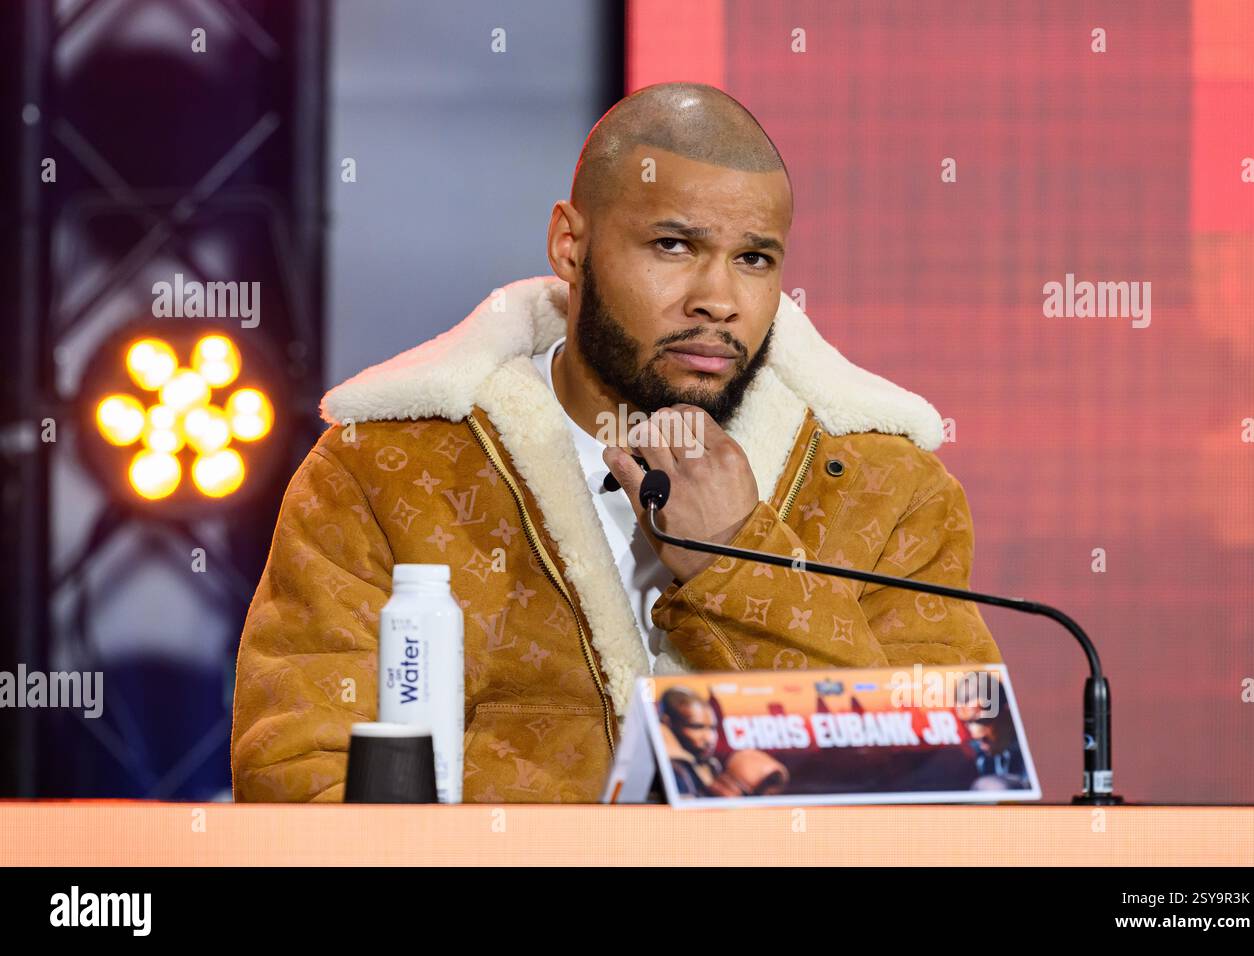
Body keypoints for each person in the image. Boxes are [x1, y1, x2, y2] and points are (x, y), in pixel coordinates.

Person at [231, 82, 1003, 804]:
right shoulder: (386, 473)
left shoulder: (883, 488)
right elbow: (297, 779)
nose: (719, 300)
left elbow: (939, 792)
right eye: (673, 245)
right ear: (570, 246)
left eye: (754, 259)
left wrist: (735, 558)